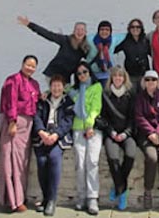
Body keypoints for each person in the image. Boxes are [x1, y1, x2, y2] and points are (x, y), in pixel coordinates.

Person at [0, 55, 41, 213]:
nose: (30, 68)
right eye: (28, 64)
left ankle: (20, 197)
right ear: (22, 64)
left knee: (22, 163)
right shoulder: (13, 80)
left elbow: (36, 101)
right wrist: (12, 122)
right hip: (14, 124)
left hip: (27, 127)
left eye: (33, 66)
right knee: (9, 161)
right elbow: (11, 101)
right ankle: (12, 201)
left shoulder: (34, 84)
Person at [32, 74, 74, 216]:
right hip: (43, 136)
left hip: (58, 136)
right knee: (41, 161)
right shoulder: (43, 100)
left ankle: (52, 200)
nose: (56, 88)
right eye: (54, 85)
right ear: (50, 87)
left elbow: (68, 121)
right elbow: (36, 116)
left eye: (59, 85)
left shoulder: (68, 102)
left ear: (63, 87)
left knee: (54, 158)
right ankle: (45, 198)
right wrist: (41, 132)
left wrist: (56, 134)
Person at [68, 59, 103, 215]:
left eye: (85, 72)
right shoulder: (73, 90)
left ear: (90, 72)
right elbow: (58, 88)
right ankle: (81, 197)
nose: (82, 75)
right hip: (77, 128)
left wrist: (89, 124)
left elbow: (96, 107)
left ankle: (92, 198)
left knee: (92, 162)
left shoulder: (96, 87)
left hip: (93, 129)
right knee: (80, 164)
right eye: (79, 73)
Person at [135, 70, 159, 210]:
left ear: (158, 82)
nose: (151, 82)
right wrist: (151, 132)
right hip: (146, 134)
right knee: (151, 157)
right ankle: (148, 190)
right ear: (144, 82)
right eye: (148, 80)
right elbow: (139, 117)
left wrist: (158, 133)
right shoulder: (139, 98)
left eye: (154, 80)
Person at [102, 66, 136, 210]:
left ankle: (118, 187)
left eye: (120, 76)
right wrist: (111, 132)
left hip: (126, 133)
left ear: (124, 78)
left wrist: (126, 133)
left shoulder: (130, 94)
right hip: (112, 133)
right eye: (115, 76)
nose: (118, 78)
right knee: (113, 159)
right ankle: (122, 192)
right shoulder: (106, 94)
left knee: (130, 155)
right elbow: (103, 117)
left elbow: (132, 118)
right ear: (111, 78)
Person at [17, 16, 89, 83]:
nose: (80, 32)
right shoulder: (65, 40)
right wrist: (30, 24)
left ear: (85, 32)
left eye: (82, 30)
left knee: (66, 95)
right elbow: (48, 34)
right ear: (73, 31)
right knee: (56, 94)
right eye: (77, 29)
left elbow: (91, 59)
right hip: (52, 74)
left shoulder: (85, 48)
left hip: (66, 78)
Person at [114, 18, 150, 91]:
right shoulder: (125, 41)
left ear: (141, 28)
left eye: (138, 27)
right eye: (132, 27)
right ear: (129, 29)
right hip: (130, 75)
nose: (135, 29)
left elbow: (154, 53)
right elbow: (113, 50)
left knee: (144, 96)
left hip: (144, 75)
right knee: (132, 97)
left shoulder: (146, 40)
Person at [87, 20, 123, 87]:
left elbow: (125, 36)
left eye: (107, 30)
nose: (104, 32)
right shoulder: (90, 40)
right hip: (91, 73)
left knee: (105, 95)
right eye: (102, 29)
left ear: (110, 32)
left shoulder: (113, 40)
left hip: (106, 74)